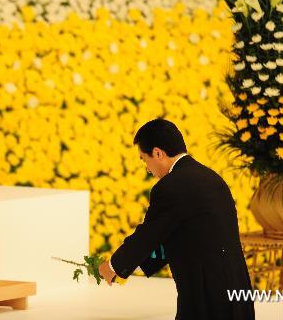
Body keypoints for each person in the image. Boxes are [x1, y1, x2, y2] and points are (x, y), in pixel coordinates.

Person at [98, 118, 254, 320]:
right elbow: (177, 232)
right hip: (236, 285)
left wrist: (113, 266)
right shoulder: (210, 177)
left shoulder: (171, 186)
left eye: (144, 160)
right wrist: (129, 267)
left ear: (157, 153)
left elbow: (149, 234)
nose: (147, 168)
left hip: (206, 292)